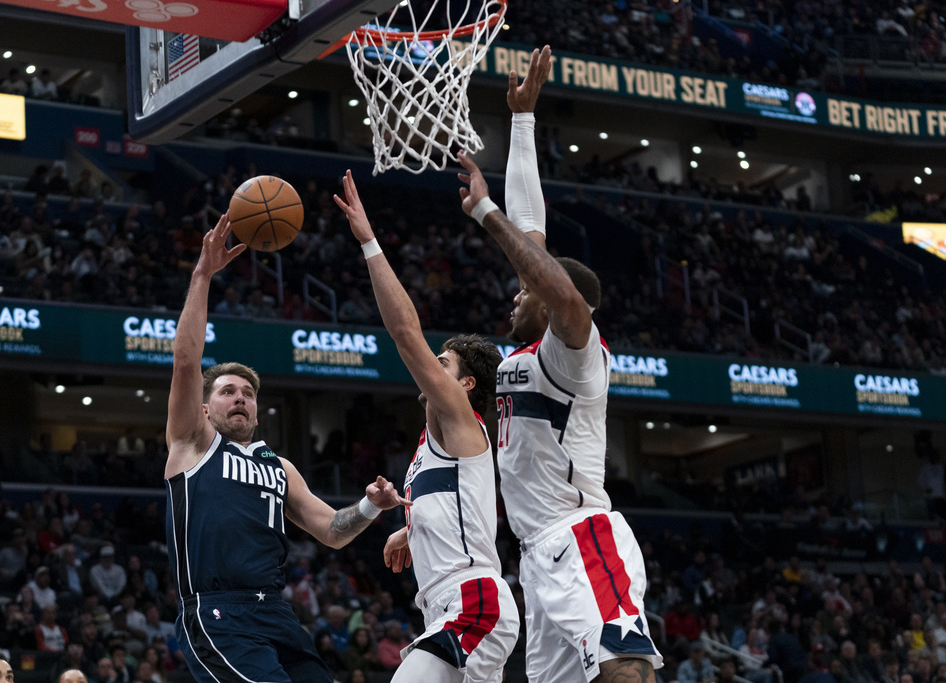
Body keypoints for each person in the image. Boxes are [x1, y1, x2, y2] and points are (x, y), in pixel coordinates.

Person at [455, 45, 663, 682]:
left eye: (527, 289)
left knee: (623, 663)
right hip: (536, 554)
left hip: (581, 535)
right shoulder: (525, 351)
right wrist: (522, 123)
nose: (516, 291)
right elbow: (532, 235)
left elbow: (553, 281)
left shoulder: (577, 354)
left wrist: (485, 215)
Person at [164, 213, 411, 682]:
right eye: (227, 391)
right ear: (203, 409)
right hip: (217, 612)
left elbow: (333, 532)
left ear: (258, 413)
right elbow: (184, 360)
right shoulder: (191, 444)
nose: (240, 397)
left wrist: (370, 505)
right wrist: (202, 275)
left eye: (249, 394)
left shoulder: (280, 467)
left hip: (274, 612)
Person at [335, 172, 519, 682]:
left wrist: (369, 242)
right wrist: (410, 529)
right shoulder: (433, 445)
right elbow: (459, 509)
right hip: (449, 604)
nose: (433, 367)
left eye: (443, 363)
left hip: (470, 603)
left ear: (464, 386)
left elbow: (403, 331)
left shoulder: (462, 420)